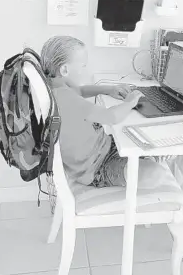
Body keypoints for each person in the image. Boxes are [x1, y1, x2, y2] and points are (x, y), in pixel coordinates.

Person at [40, 35, 167, 190]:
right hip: (97, 168)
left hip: (104, 148)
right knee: (156, 174)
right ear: (65, 69)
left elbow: (79, 90)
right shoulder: (64, 98)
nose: (83, 70)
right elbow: (111, 117)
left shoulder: (56, 87)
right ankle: (152, 161)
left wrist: (107, 89)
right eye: (82, 65)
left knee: (149, 147)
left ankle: (151, 158)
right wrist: (130, 102)